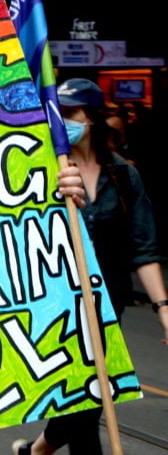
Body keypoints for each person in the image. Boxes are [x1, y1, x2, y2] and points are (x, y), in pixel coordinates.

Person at [13, 78, 168, 455]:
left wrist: (164, 307)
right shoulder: (39, 172)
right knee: (90, 394)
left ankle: (34, 452)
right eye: (58, 114)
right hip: (58, 302)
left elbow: (143, 248)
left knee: (90, 395)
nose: (64, 121)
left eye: (71, 114)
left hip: (108, 303)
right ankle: (36, 451)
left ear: (93, 118)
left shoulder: (123, 175)